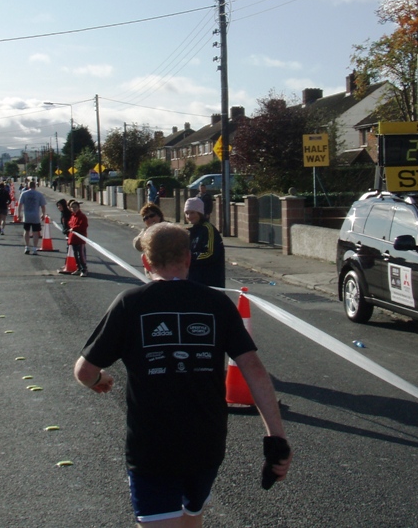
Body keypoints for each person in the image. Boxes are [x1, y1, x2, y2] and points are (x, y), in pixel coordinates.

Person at [74, 222, 291, 526]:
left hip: (152, 448)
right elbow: (253, 370)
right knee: (193, 515)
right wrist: (276, 439)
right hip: (206, 444)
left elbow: (84, 371)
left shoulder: (130, 304)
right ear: (188, 258)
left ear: (146, 262)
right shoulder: (217, 303)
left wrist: (100, 380)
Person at [184, 196, 225, 288]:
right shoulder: (190, 230)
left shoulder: (208, 229)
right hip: (194, 280)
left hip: (209, 281)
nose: (189, 216)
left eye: (192, 212)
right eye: (187, 213)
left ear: (200, 213)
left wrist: (188, 257)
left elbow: (210, 253)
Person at [17, 180, 46, 255]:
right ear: (35, 186)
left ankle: (27, 246)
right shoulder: (39, 194)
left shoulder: (24, 193)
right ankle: (35, 248)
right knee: (35, 232)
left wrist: (18, 214)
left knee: (26, 231)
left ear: (28, 186)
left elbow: (20, 204)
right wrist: (43, 214)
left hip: (27, 215)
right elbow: (43, 206)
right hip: (35, 215)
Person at [67, 199, 88, 276]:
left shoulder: (82, 216)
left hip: (80, 239)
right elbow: (70, 223)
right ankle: (78, 268)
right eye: (72, 207)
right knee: (75, 254)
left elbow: (83, 226)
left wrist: (74, 228)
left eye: (75, 207)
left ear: (79, 207)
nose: (74, 209)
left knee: (81, 255)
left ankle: (84, 269)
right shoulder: (73, 216)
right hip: (73, 238)